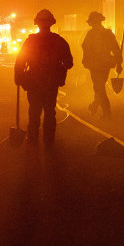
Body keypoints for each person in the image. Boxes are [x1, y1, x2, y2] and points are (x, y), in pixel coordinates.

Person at [14, 9, 74, 146]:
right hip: (51, 82)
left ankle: (33, 139)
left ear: (38, 24)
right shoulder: (59, 41)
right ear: (50, 24)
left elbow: (20, 61)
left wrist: (18, 77)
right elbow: (69, 63)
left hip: (34, 82)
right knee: (49, 111)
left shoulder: (31, 41)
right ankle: (48, 140)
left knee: (34, 111)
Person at [81, 11, 123, 118]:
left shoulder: (91, 34)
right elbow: (116, 50)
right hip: (104, 65)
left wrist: (119, 63)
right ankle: (95, 106)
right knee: (99, 87)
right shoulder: (108, 34)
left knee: (99, 88)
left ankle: (106, 112)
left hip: (96, 66)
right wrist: (119, 63)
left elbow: (85, 47)